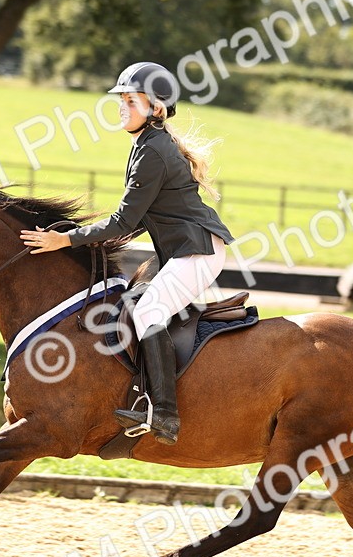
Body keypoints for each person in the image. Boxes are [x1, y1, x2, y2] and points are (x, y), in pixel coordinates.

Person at [20, 62, 234, 445]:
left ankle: (164, 414)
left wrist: (64, 242)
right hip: (187, 250)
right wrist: (76, 235)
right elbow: (134, 220)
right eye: (121, 99)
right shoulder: (148, 144)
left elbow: (123, 221)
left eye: (131, 100)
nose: (122, 107)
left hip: (197, 252)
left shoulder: (153, 151)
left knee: (150, 311)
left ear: (156, 108)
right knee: (135, 305)